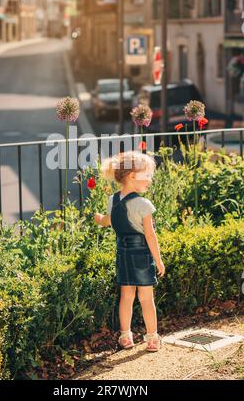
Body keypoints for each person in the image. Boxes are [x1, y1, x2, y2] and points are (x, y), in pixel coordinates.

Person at [94, 150, 165, 352]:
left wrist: (98, 219)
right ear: (133, 176)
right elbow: (150, 236)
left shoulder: (113, 200)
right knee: (146, 298)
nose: (150, 180)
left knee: (126, 296)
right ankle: (152, 338)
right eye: (147, 175)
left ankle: (126, 336)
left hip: (122, 255)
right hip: (141, 256)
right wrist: (158, 261)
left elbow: (108, 221)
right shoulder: (144, 205)